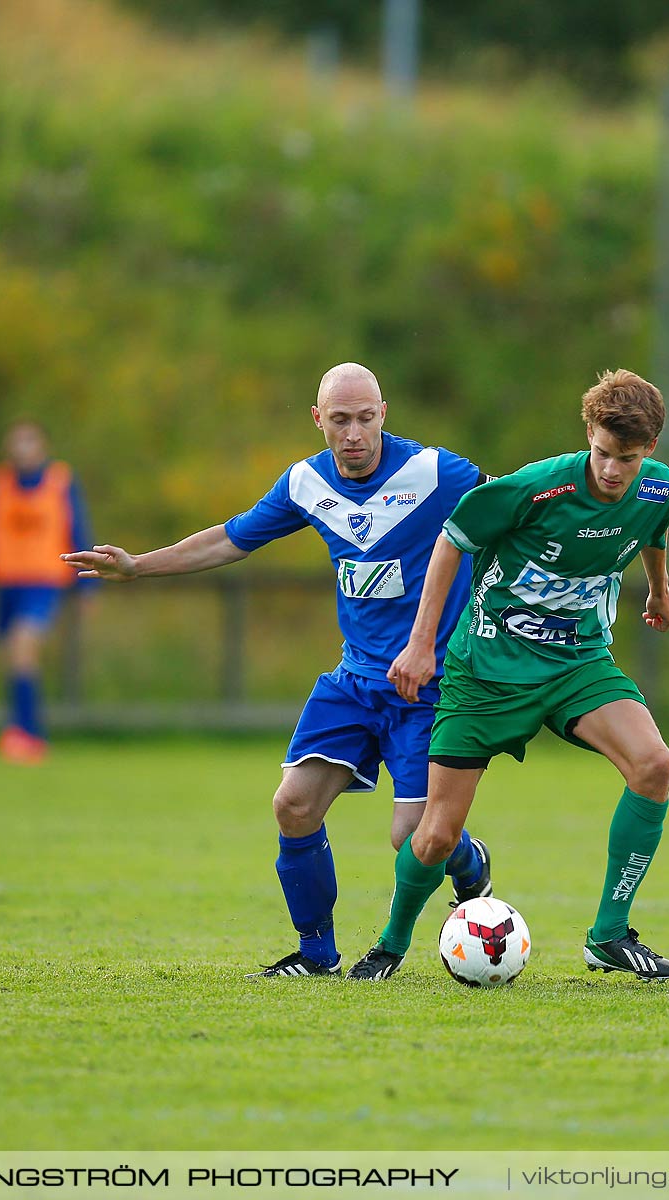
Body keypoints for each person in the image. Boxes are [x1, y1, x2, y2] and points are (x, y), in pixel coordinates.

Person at [64, 364, 494, 978]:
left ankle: (469, 863)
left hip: (428, 687)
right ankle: (316, 955)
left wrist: (611, 502)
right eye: (340, 420)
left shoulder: (435, 472)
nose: (354, 433)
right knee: (293, 805)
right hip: (354, 681)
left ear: (384, 414)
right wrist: (138, 567)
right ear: (318, 421)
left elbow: (514, 502)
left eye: (365, 418)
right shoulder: (305, 483)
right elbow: (228, 539)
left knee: (411, 836)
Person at [346, 368, 669, 982]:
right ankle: (389, 947)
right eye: (602, 453)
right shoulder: (536, 489)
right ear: (589, 433)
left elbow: (653, 526)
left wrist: (660, 592)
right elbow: (452, 541)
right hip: (488, 674)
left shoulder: (656, 488)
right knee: (436, 838)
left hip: (578, 662)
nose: (611, 471)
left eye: (627, 459)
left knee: (654, 764)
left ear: (650, 451)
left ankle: (609, 935)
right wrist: (423, 646)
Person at [0, 419, 96, 764]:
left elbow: (78, 528)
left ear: (43, 447)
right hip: (7, 583)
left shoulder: (61, 482)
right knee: (15, 657)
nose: (23, 448)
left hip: (45, 582)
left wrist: (89, 584)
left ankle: (26, 734)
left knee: (23, 646)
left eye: (29, 441)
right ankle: (25, 728)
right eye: (17, 442)